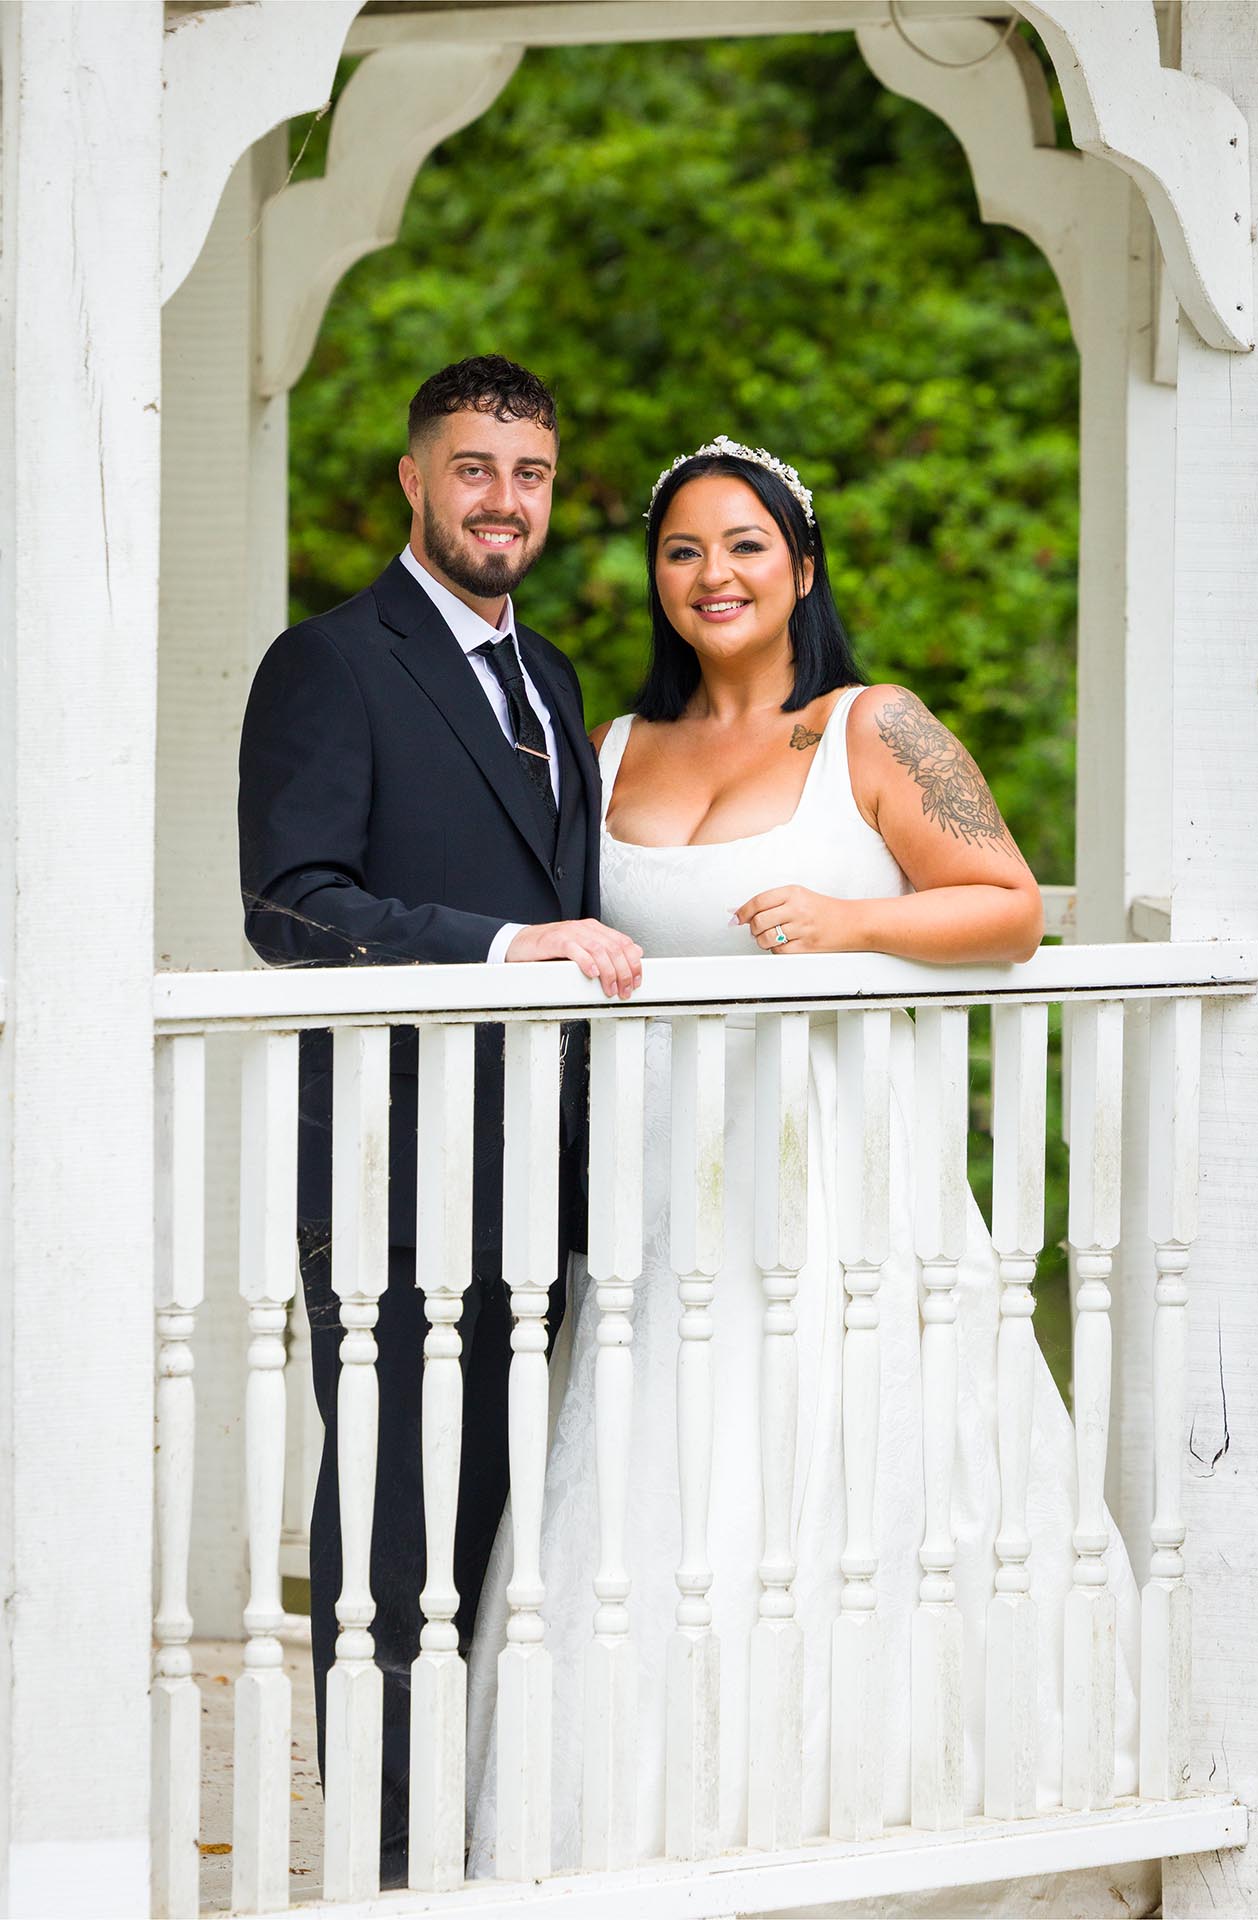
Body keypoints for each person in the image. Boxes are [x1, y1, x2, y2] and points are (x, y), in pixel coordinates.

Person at [465, 438, 1141, 1887]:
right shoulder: (606, 752)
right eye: (685, 550)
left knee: (847, 1472)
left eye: (746, 547)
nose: (714, 575)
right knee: (667, 1491)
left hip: (841, 1178)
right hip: (663, 1193)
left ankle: (880, 1822)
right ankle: (665, 1828)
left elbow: (1009, 907)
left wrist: (855, 923)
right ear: (657, 577)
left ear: (803, 569)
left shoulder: (874, 729)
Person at [237, 354, 642, 1886]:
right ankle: (384, 1867)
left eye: (529, 475)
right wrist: (498, 947)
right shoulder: (330, 663)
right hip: (399, 1165)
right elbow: (291, 905)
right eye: (473, 468)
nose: (503, 501)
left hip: (542, 1174)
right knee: (395, 1537)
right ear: (415, 479)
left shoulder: (552, 682)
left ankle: (467, 1841)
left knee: (501, 1532)